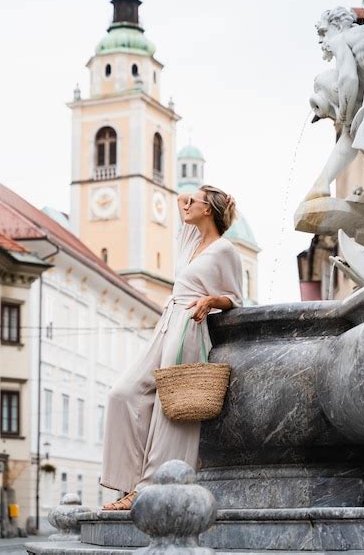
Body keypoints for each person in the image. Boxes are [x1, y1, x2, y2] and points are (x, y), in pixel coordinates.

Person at [100, 185, 243, 510]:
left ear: (208, 210)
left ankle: (150, 488)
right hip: (167, 321)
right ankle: (129, 481)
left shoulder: (225, 250)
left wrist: (210, 299)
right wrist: (214, 195)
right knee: (122, 393)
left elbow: (235, 299)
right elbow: (181, 198)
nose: (187, 203)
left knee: (172, 409)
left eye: (196, 200)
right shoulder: (190, 239)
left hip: (190, 325)